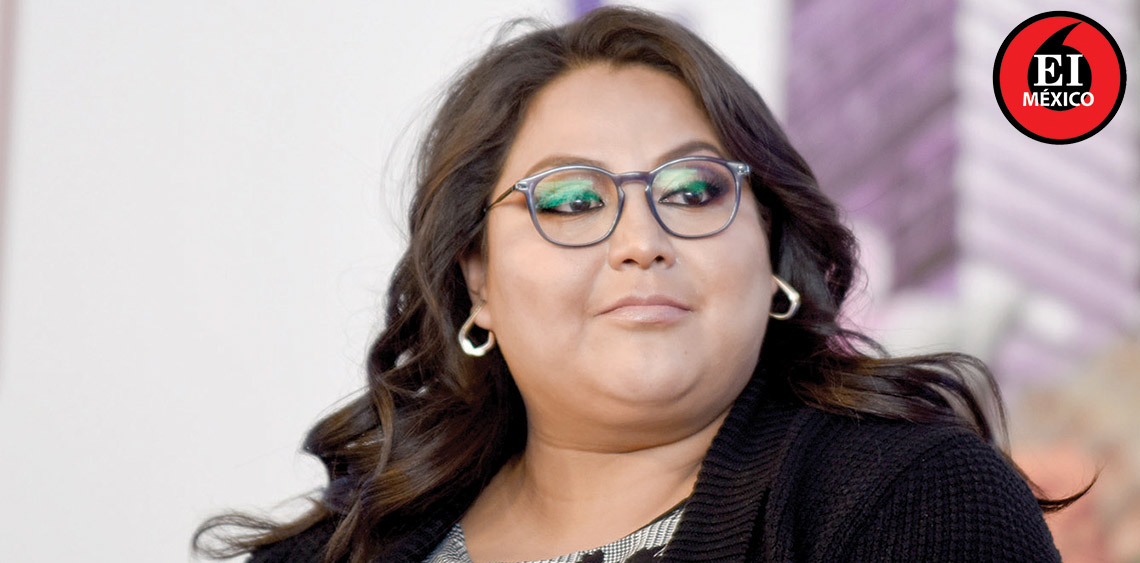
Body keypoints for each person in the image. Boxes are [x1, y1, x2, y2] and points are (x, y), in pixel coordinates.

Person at [195, 7, 1077, 562]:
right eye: (572, 201)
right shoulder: (333, 550)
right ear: (478, 281)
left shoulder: (916, 502)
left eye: (694, 191)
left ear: (770, 246)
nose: (641, 242)